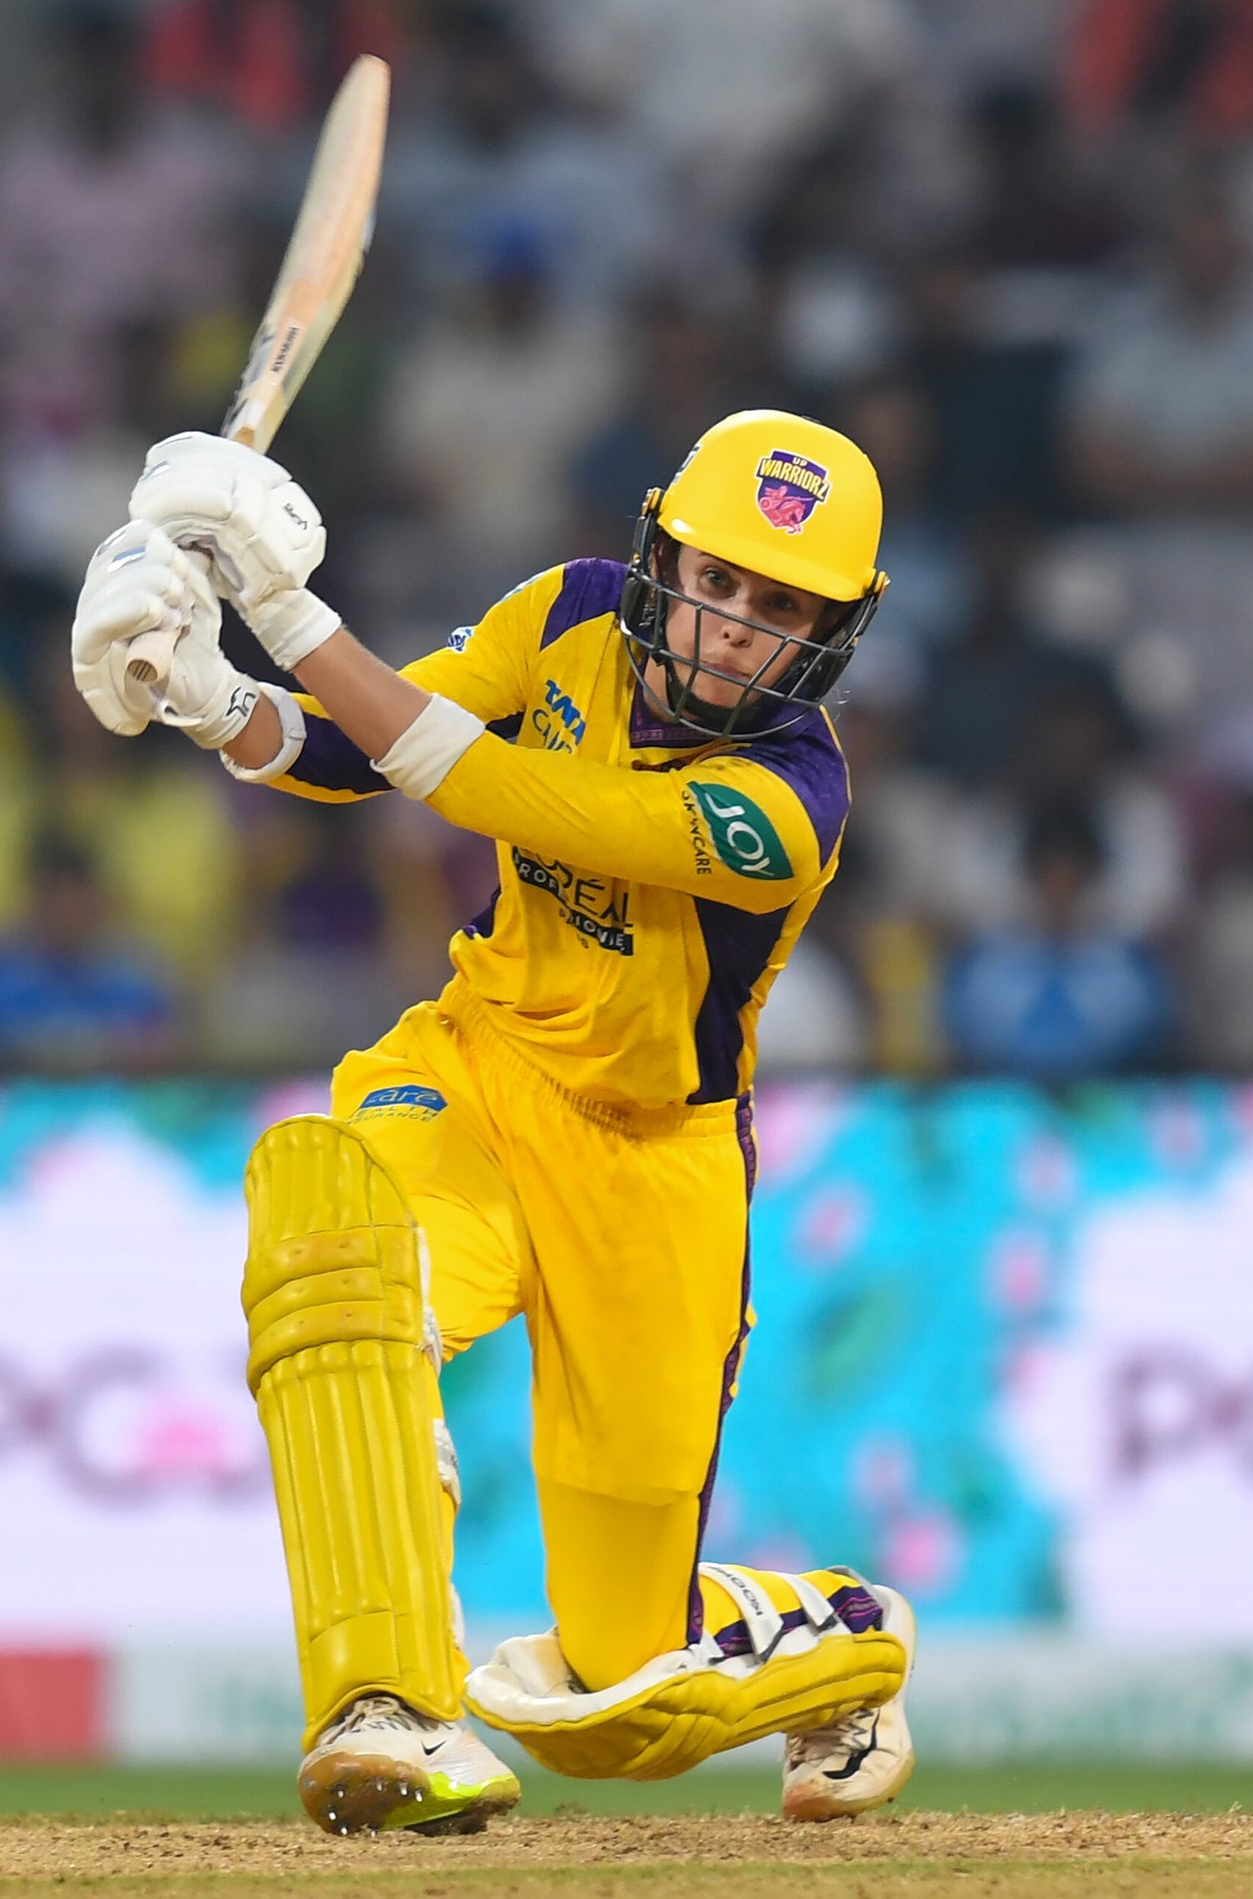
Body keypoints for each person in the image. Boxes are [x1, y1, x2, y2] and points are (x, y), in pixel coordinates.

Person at [69, 410, 918, 1835]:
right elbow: (362, 747)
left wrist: (280, 603)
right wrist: (210, 698)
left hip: (655, 1174)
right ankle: (388, 1707)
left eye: (780, 609)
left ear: (833, 636)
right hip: (477, 1068)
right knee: (348, 1271)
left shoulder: (790, 806)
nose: (730, 630)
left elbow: (497, 788)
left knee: (620, 1706)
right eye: (716, 578)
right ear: (661, 557)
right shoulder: (571, 613)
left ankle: (842, 1642)